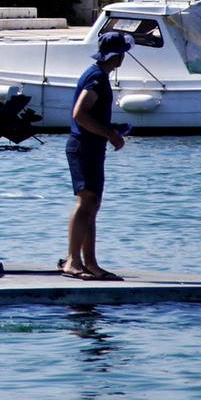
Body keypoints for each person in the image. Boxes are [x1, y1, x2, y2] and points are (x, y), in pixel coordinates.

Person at [62, 31, 134, 281]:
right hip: (83, 146)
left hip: (92, 147)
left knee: (92, 205)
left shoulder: (99, 75)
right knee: (85, 203)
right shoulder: (96, 78)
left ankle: (90, 262)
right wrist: (110, 134)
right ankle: (72, 261)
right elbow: (79, 113)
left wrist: (110, 129)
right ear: (118, 55)